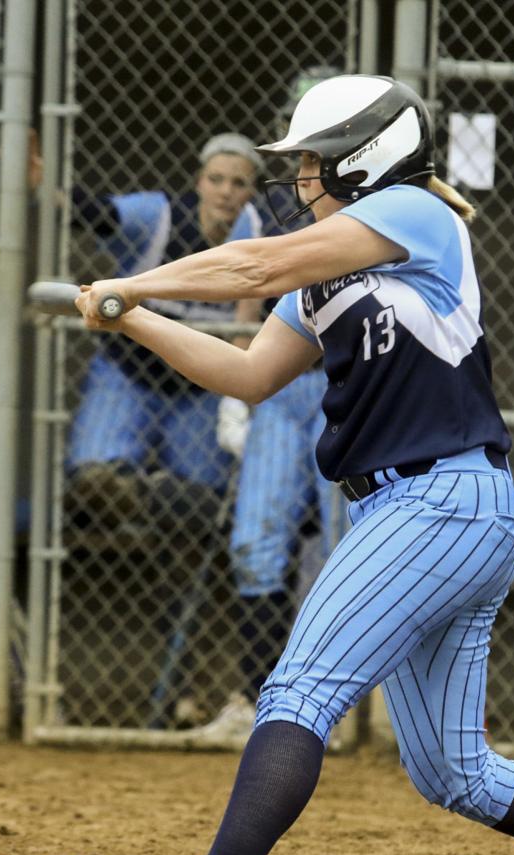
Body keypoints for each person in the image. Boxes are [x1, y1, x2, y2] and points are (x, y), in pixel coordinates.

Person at [73, 75, 514, 855]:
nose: (302, 178)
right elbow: (248, 372)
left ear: (368, 159)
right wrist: (135, 316)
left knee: (297, 690)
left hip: (442, 500)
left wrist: (136, 281)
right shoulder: (321, 277)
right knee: (453, 773)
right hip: (421, 515)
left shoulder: (417, 213)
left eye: (315, 161)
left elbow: (254, 263)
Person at [199, 68, 344, 740]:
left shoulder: (376, 204)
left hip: (347, 387)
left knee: (344, 549)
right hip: (280, 384)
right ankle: (253, 697)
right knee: (257, 539)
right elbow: (247, 295)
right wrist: (237, 396)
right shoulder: (269, 208)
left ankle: (335, 707)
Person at [66, 132, 269, 533]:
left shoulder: (259, 237)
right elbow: (93, 213)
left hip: (198, 388)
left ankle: (150, 504)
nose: (226, 192)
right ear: (198, 182)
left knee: (197, 503)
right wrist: (43, 181)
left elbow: (248, 326)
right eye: (215, 179)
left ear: (253, 193)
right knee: (96, 481)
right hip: (129, 375)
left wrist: (235, 400)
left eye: (239, 183)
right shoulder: (160, 215)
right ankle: (130, 500)